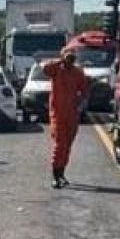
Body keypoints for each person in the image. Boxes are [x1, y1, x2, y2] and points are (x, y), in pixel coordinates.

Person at [42, 48, 90, 188]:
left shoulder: (78, 73)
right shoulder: (56, 70)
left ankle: (61, 173)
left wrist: (81, 104)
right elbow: (45, 68)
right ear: (63, 57)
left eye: (72, 58)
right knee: (60, 144)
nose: (70, 60)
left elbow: (85, 90)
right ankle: (55, 176)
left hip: (72, 114)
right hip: (58, 114)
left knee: (67, 145)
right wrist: (60, 61)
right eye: (68, 58)